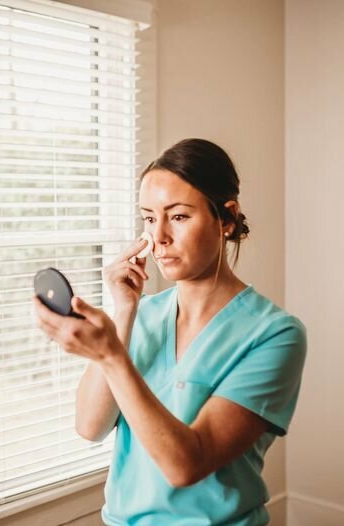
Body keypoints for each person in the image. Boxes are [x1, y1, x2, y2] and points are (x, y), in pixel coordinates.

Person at [32, 138, 307, 525]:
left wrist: (110, 354)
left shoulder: (276, 335)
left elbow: (186, 465)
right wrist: (124, 313)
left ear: (226, 219)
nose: (158, 237)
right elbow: (90, 427)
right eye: (148, 218)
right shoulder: (140, 316)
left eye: (178, 217)